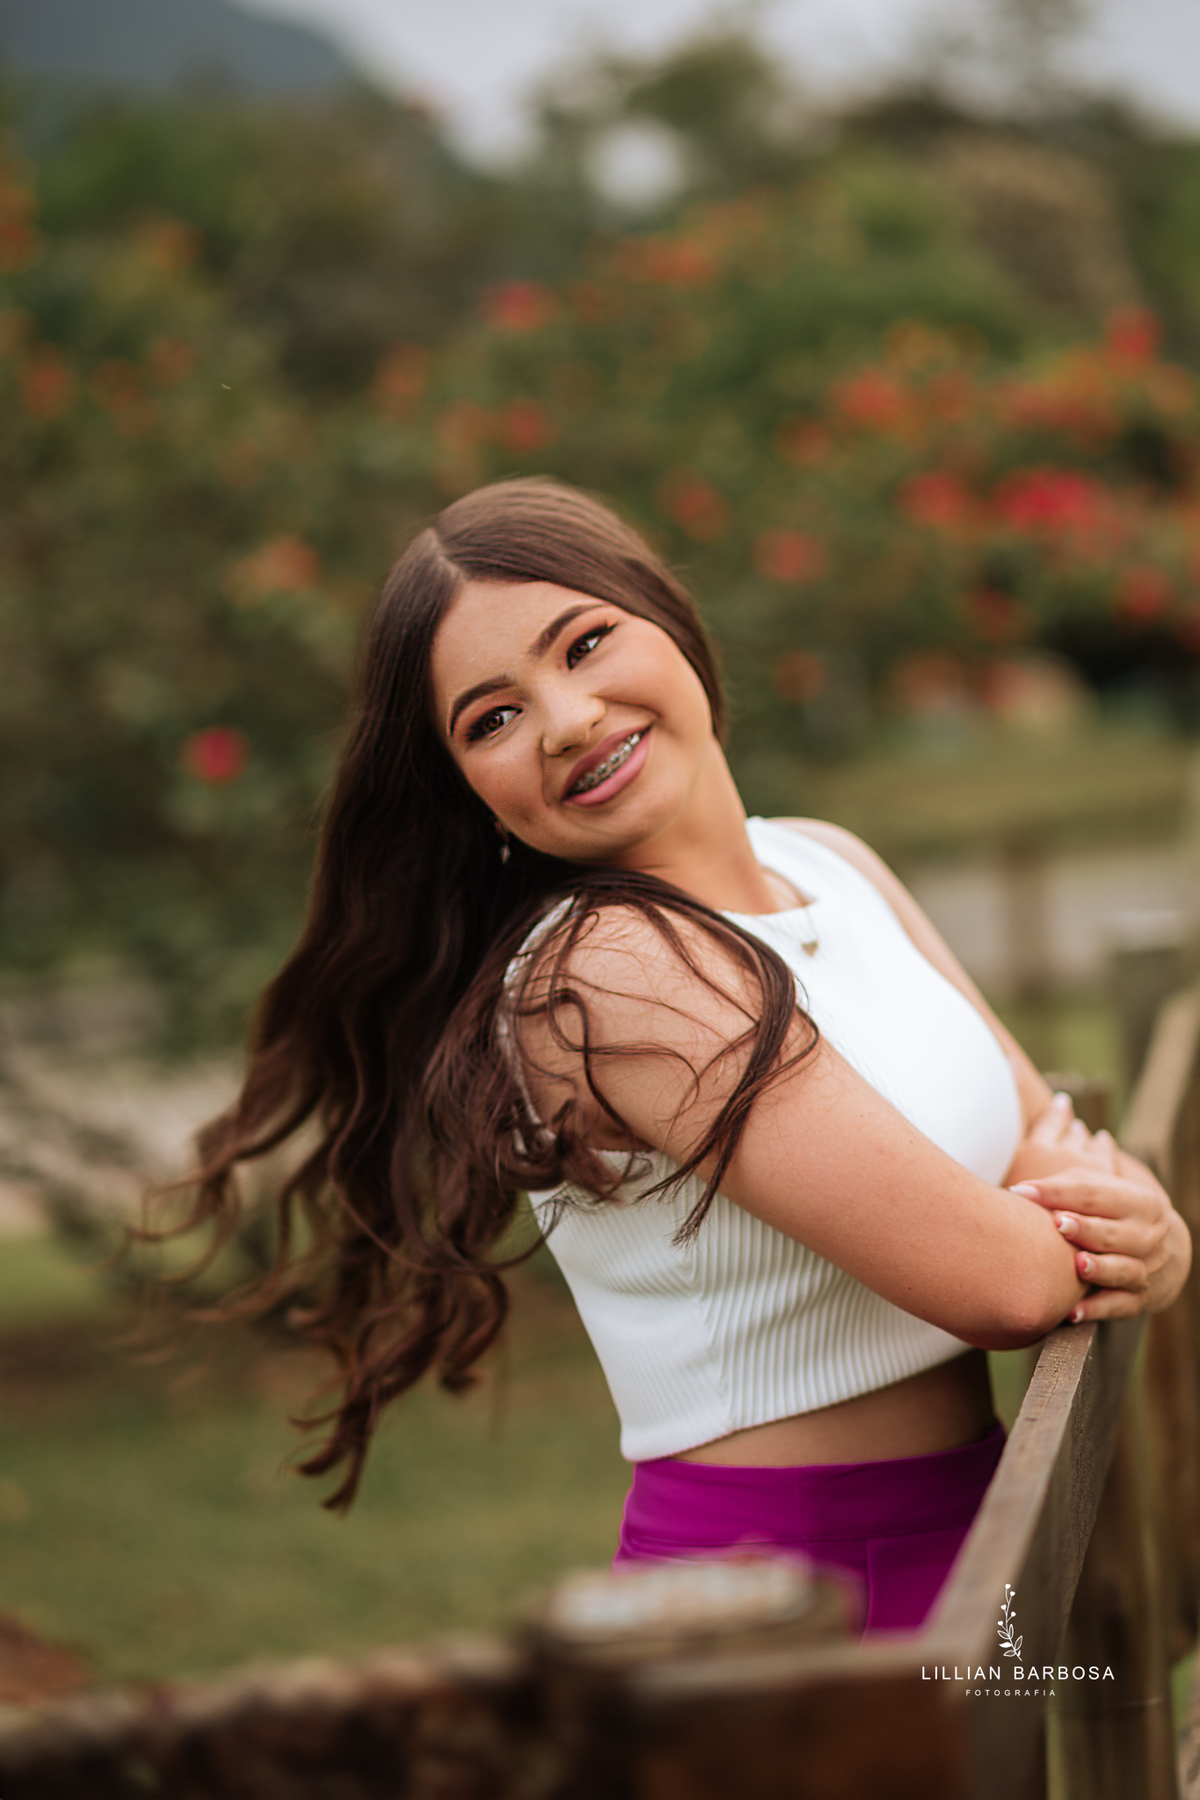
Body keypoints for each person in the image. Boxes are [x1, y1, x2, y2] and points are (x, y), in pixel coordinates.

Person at [184, 476, 1191, 1635]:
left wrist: (1144, 1237)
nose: (565, 720)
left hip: (973, 1536)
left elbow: (1054, 1149)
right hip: (793, 1593)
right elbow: (1011, 1281)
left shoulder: (829, 862)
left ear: (665, 615)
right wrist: (1089, 1227)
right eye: (492, 718)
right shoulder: (605, 976)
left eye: (586, 642)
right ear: (472, 793)